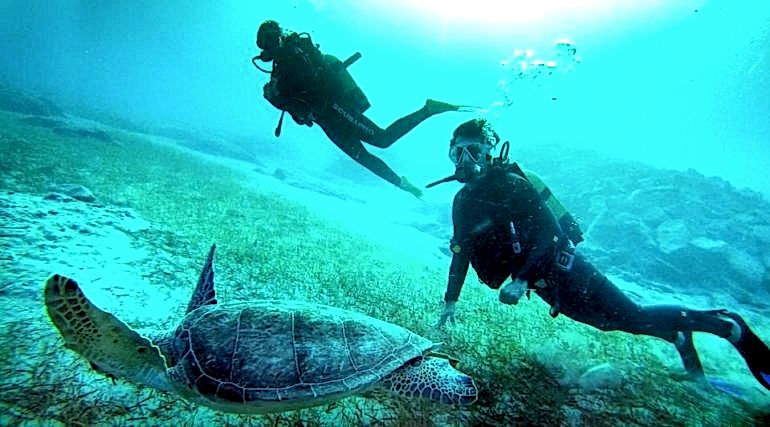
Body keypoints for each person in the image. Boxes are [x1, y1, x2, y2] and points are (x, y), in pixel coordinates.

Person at [432, 118, 770, 392]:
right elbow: (460, 252)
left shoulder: (515, 185)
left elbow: (551, 233)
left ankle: (726, 325)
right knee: (611, 323)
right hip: (545, 283)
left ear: (489, 151)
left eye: (473, 151)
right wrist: (451, 303)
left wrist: (520, 281)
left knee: (634, 315)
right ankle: (677, 336)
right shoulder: (462, 202)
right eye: (456, 154)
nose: (465, 161)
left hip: (566, 268)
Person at [253, 20, 469, 198]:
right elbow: (294, 101)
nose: (265, 51)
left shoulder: (293, 57)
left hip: (335, 108)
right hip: (325, 120)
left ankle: (428, 109)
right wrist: (276, 94)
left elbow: (305, 87)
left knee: (382, 140)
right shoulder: (282, 64)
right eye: (263, 47)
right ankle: (403, 184)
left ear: (275, 41)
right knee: (361, 157)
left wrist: (276, 92)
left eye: (267, 45)